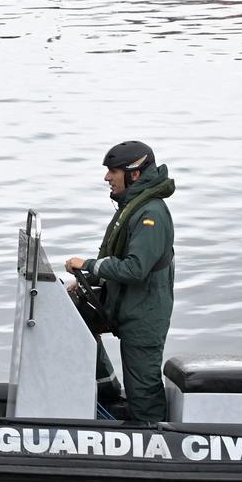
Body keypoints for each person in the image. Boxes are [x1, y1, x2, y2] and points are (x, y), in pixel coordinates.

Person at [65, 141, 175, 423]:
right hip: (125, 307)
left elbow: (136, 268)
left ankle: (153, 443)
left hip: (144, 314)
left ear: (134, 174)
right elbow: (117, 258)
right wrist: (89, 278)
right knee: (77, 318)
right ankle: (105, 392)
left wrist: (87, 264)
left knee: (143, 387)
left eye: (113, 171)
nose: (106, 178)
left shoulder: (151, 213)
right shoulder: (131, 207)